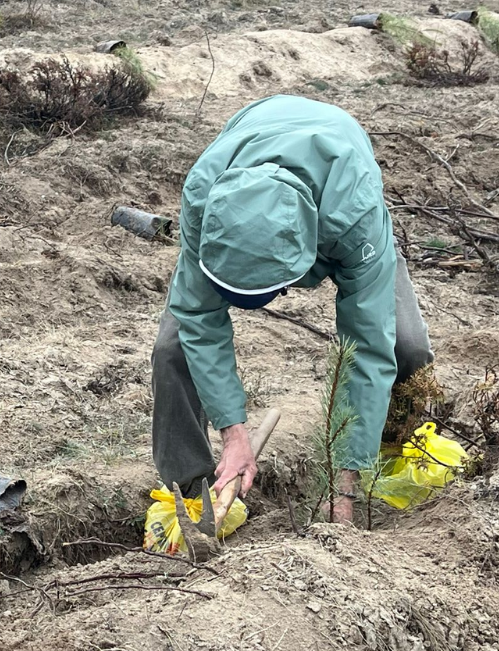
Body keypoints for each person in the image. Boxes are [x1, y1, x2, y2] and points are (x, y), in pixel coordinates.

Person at [152, 94, 433, 524]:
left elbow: (368, 340)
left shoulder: (354, 215)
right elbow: (197, 317)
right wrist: (234, 433)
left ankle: (384, 458)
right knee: (173, 349)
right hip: (250, 144)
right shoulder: (204, 199)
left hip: (338, 168)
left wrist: (344, 483)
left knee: (406, 347)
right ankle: (192, 492)